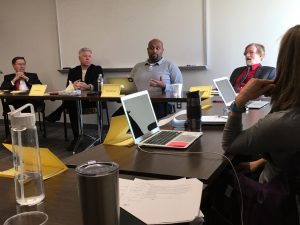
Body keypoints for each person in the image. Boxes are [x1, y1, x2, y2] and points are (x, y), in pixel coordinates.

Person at [222, 25, 300, 186]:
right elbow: (290, 150)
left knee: (222, 181)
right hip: (280, 168)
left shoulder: (283, 121)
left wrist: (238, 102)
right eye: (246, 53)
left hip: (278, 195)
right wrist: (262, 162)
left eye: (251, 52)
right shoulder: (238, 70)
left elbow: (230, 144)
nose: (247, 55)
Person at [46, 48, 103, 150]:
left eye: (89, 56)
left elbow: (99, 84)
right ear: (79, 58)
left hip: (91, 101)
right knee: (72, 105)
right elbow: (68, 86)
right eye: (85, 56)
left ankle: (58, 112)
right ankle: (77, 137)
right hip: (75, 101)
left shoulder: (97, 68)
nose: (87, 58)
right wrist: (74, 85)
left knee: (71, 103)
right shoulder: (73, 70)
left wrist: (88, 86)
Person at [130, 38, 183, 119]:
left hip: (161, 104)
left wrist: (164, 86)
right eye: (151, 48)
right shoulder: (138, 66)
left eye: (157, 48)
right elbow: (129, 83)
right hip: (138, 103)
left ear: (162, 50)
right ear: (147, 50)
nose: (154, 51)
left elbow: (179, 88)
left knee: (147, 120)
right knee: (117, 117)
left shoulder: (170, 65)